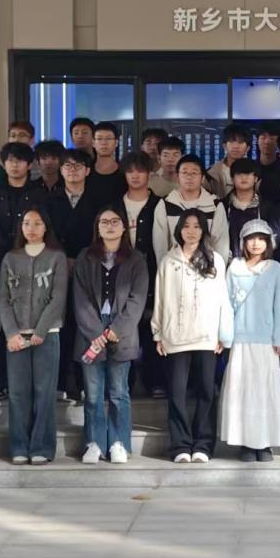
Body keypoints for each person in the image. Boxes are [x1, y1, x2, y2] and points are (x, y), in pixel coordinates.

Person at [152, 208, 231, 463]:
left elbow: (223, 298)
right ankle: (180, 446)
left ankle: (203, 446)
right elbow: (160, 298)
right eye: (186, 226)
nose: (191, 231)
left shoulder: (215, 260)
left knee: (206, 391)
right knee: (177, 393)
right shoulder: (168, 260)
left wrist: (223, 333)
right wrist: (157, 332)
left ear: (204, 230)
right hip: (175, 336)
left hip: (207, 336)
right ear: (179, 230)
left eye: (197, 226)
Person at [73, 207, 148, 464]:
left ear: (124, 226)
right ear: (97, 227)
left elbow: (137, 299)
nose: (110, 226)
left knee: (119, 392)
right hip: (91, 329)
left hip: (122, 329)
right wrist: (96, 332)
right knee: (93, 393)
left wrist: (118, 328)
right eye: (104, 221)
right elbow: (80, 298)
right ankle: (93, 443)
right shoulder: (85, 257)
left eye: (115, 221)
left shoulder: (136, 259)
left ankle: (119, 442)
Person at [0, 208, 69, 465]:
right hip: (16, 337)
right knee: (18, 393)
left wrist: (41, 331)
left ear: (46, 227)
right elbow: (3, 299)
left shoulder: (56, 257)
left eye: (37, 223)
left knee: (44, 393)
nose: (31, 228)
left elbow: (58, 298)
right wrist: (11, 332)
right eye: (26, 223)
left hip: (47, 335)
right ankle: (19, 446)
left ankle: (41, 447)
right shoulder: (10, 258)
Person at [219, 220, 280, 461]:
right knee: (243, 392)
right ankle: (246, 444)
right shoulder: (234, 268)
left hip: (266, 342)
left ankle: (265, 443)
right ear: (243, 242)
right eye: (251, 238)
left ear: (269, 242)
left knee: (265, 392)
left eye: (261, 238)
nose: (256, 243)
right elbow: (226, 305)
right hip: (240, 341)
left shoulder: (275, 269)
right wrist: (225, 336)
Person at [117, 153, 163, 397]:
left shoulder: (161, 205)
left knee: (151, 326)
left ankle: (154, 382)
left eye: (141, 170)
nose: (135, 176)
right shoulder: (115, 205)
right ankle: (124, 382)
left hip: (153, 273)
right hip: (120, 276)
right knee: (123, 324)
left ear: (150, 174)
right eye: (130, 171)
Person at [151, 155, 229, 262]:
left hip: (206, 266)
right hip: (174, 265)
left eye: (194, 173)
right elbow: (160, 244)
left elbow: (221, 244)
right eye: (184, 173)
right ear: (177, 177)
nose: (189, 177)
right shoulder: (166, 204)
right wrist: (165, 267)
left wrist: (215, 268)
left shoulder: (215, 205)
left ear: (202, 178)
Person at [0, 142, 50, 262]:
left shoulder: (40, 195)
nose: (15, 165)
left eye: (20, 161)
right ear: (4, 164)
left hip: (32, 256)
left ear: (29, 165)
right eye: (10, 160)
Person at [46, 148, 98, 260]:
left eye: (78, 166)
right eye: (68, 165)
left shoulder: (98, 200)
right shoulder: (49, 200)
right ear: (61, 170)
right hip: (57, 259)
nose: (72, 170)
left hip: (90, 259)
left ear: (87, 171)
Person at [223, 157, 271, 256]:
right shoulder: (223, 205)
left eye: (248, 174)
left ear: (256, 178)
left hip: (259, 260)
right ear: (232, 179)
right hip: (229, 260)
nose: (244, 177)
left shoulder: (266, 207)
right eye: (239, 174)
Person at [205, 123, 252, 199]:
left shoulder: (255, 172)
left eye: (240, 142)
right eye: (232, 142)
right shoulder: (211, 173)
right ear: (224, 146)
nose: (235, 146)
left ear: (248, 148)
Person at [87, 121, 126, 205]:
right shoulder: (85, 171)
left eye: (108, 138)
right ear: (93, 143)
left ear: (116, 143)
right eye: (99, 139)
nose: (104, 143)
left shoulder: (125, 171)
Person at [256, 122, 280, 204]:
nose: (267, 141)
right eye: (263, 137)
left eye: (272, 138)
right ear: (257, 141)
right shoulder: (250, 168)